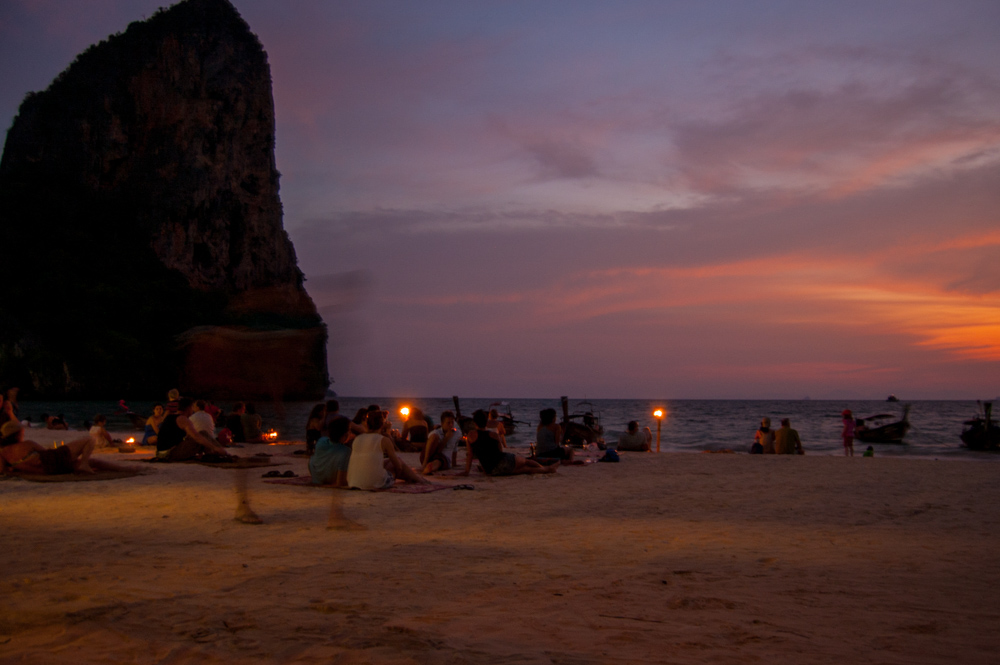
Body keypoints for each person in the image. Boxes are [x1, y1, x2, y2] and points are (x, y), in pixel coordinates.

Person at [0, 420, 129, 475]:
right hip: (52, 461)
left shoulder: (3, 453)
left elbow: (3, 470)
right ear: (17, 435)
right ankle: (85, 464)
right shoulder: (27, 444)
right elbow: (46, 453)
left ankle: (125, 469)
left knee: (93, 462)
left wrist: (19, 468)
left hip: (47, 471)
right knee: (89, 440)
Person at [347, 410, 427, 489]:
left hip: (354, 482)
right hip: (376, 483)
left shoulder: (357, 439)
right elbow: (398, 466)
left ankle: (414, 478)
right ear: (382, 424)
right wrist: (396, 474)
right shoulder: (384, 440)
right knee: (397, 461)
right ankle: (418, 479)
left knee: (388, 462)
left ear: (366, 424)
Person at [461, 410, 555, 477]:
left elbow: (469, 454)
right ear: (486, 422)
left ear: (474, 422)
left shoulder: (470, 435)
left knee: (527, 469)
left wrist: (466, 472)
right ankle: (546, 468)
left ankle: (547, 469)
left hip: (492, 471)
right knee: (526, 462)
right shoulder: (494, 435)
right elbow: (500, 451)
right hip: (505, 462)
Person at [156, 398, 232, 461]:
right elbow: (196, 437)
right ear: (189, 408)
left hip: (162, 452)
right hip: (169, 454)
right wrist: (214, 447)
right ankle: (220, 452)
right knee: (202, 434)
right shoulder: (183, 419)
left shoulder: (171, 417)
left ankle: (215, 453)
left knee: (203, 433)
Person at [309, 417, 354, 486]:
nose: (350, 433)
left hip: (317, 478)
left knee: (313, 458)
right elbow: (341, 482)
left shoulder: (321, 440)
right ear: (344, 434)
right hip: (330, 479)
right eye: (349, 430)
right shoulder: (346, 451)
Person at [421, 410, 463, 474]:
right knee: (434, 436)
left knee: (438, 461)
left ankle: (429, 468)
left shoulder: (457, 433)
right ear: (442, 423)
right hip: (428, 455)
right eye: (448, 423)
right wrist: (446, 438)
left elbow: (455, 449)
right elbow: (437, 450)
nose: (451, 425)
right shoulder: (436, 432)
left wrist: (454, 463)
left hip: (442, 458)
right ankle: (425, 463)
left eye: (452, 422)